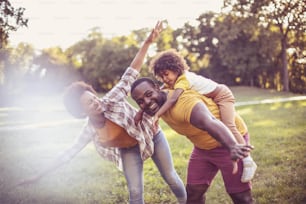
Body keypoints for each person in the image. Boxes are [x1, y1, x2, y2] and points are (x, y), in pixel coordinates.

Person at [15, 22, 187, 204]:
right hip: (129, 149)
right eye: (89, 103)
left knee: (170, 176)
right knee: (135, 193)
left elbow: (132, 72)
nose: (97, 102)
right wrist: (37, 177)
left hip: (152, 134)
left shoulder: (110, 99)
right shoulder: (90, 129)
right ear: (81, 112)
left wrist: (147, 43)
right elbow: (68, 153)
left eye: (94, 97)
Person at [134, 49, 256, 183]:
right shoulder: (170, 83)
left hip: (222, 95)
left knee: (230, 125)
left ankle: (247, 160)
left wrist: (157, 115)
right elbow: (157, 91)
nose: (165, 79)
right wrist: (141, 111)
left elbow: (172, 99)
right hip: (205, 140)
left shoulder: (183, 81)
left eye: (166, 74)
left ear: (176, 68)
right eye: (161, 77)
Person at [130, 77, 254, 204]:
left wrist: (233, 146)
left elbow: (210, 122)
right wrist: (140, 111)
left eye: (149, 94)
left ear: (157, 88)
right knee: (194, 194)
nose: (147, 102)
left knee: (241, 198)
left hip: (228, 141)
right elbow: (148, 100)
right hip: (203, 148)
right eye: (140, 102)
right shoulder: (160, 99)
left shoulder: (184, 104)